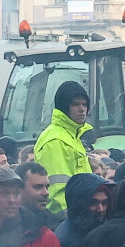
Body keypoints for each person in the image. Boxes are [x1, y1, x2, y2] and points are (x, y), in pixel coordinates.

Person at [34, 81, 93, 217]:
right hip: (65, 220)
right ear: (64, 108)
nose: (82, 109)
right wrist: (71, 221)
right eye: (75, 104)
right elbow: (56, 193)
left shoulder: (72, 137)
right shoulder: (55, 140)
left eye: (84, 104)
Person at [53, 173, 115, 247]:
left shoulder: (95, 229)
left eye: (104, 203)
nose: (101, 209)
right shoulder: (66, 240)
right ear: (79, 204)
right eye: (93, 203)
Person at [15, 162, 61, 229]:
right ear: (19, 189)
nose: (46, 193)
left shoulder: (55, 224)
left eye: (47, 187)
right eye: (38, 187)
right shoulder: (3, 223)